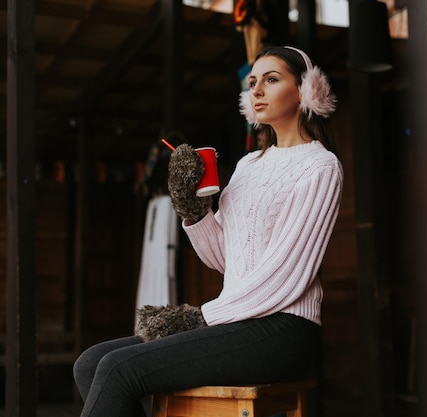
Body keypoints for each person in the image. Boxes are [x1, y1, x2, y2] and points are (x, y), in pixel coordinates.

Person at [73, 45, 343, 417]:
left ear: (306, 90)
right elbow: (224, 259)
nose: (257, 90)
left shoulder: (321, 167)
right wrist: (194, 209)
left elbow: (286, 277)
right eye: (253, 82)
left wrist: (200, 318)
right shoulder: (249, 165)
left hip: (282, 330)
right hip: (235, 322)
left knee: (119, 369)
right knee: (90, 363)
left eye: (272, 79)